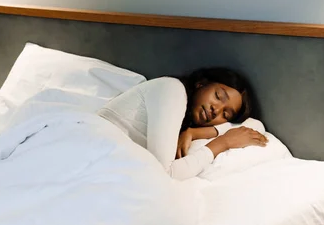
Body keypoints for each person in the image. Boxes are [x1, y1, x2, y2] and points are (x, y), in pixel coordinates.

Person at [98, 67, 268, 180]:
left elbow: (254, 126)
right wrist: (222, 143)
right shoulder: (173, 90)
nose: (216, 109)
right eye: (218, 96)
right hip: (95, 147)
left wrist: (195, 133)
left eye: (226, 114)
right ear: (201, 84)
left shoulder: (187, 121)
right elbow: (165, 174)